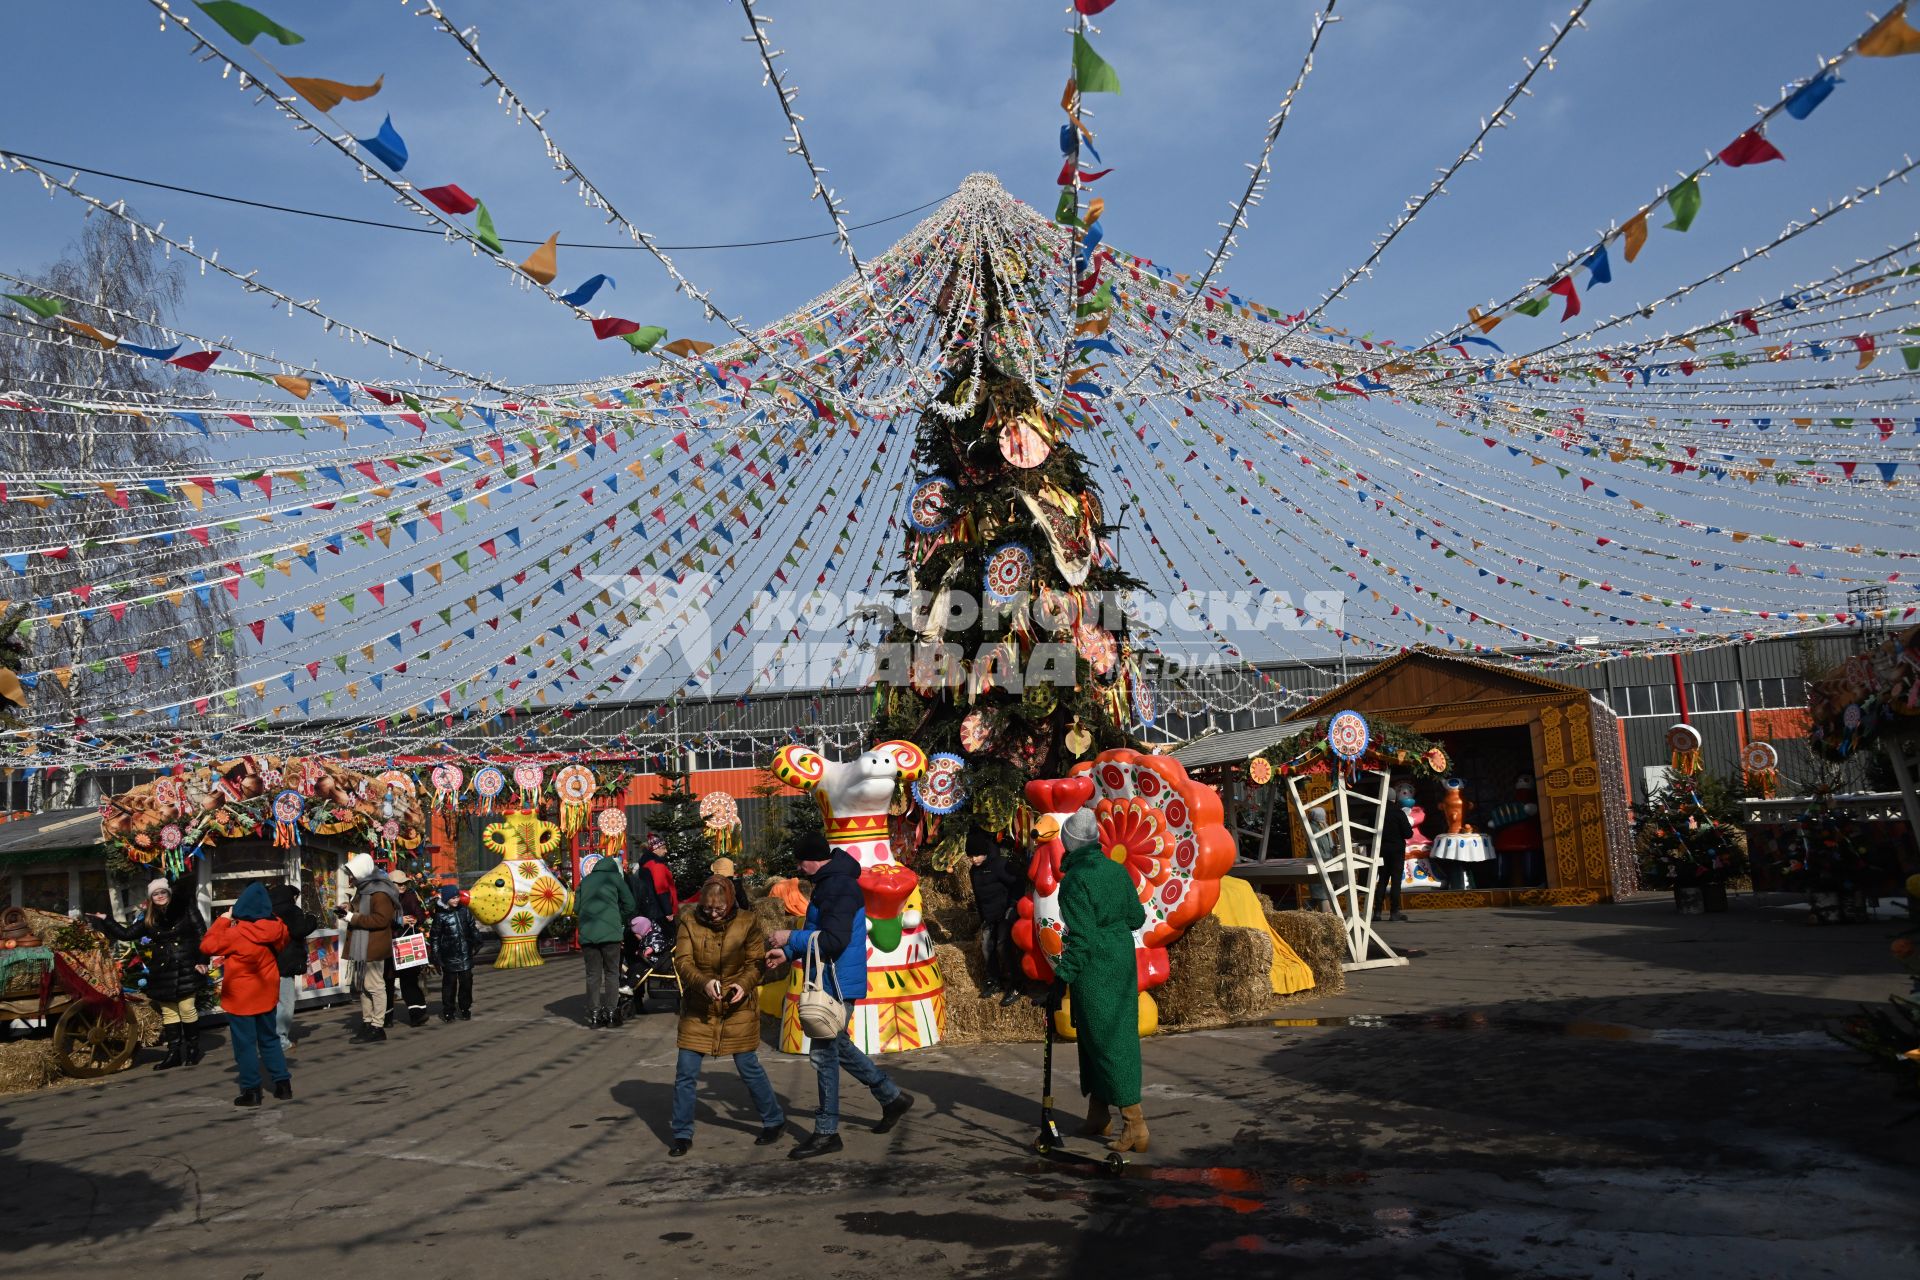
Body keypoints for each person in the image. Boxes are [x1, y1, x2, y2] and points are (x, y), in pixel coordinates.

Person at [767, 833, 913, 1159]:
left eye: (799, 860)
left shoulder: (839, 887)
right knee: (837, 1044)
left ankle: (826, 1132)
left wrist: (790, 935)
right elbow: (820, 929)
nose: (797, 867)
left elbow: (833, 940)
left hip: (836, 982)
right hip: (832, 977)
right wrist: (789, 950)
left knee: (824, 1055)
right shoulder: (830, 881)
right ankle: (891, 1096)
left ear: (812, 858)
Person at [1052, 809, 1150, 1154]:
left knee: (1108, 1044)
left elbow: (1081, 939)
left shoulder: (1075, 881)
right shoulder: (1116, 870)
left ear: (1070, 843)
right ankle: (1098, 1114)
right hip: (1121, 961)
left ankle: (1134, 1123)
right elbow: (1136, 916)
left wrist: (1062, 975)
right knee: (1098, 1039)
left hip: (1095, 969)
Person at [667, 876, 785, 1157]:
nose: (712, 913)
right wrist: (703, 983)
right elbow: (683, 962)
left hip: (737, 1007)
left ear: (730, 902)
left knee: (748, 1066)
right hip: (699, 1008)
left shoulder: (747, 921)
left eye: (718, 909)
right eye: (707, 908)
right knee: (686, 1071)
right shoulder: (689, 921)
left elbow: (756, 962)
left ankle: (774, 1120)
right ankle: (682, 1133)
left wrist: (743, 985)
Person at [89, 876, 206, 1071]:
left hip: (187, 964)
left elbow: (203, 935)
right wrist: (106, 920)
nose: (159, 896)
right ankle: (174, 1053)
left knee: (186, 1008)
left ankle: (193, 1049)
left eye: (162, 892)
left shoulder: (186, 909)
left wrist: (202, 960)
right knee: (169, 1013)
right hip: (163, 969)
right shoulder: (149, 917)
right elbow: (126, 934)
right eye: (155, 894)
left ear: (169, 894)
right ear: (151, 898)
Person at [199, 882, 292, 1107]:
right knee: (270, 1039)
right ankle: (283, 1085)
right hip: (266, 992)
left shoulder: (237, 933)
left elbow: (207, 946)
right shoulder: (279, 927)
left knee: (245, 1045)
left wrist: (223, 919)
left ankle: (251, 1091)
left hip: (241, 996)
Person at [339, 852, 399, 1042]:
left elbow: (381, 919)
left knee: (374, 986)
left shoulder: (379, 891)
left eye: (353, 873)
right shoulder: (365, 888)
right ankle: (368, 1022)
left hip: (373, 946)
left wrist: (352, 917)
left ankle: (377, 1026)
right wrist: (348, 908)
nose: (351, 878)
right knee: (364, 987)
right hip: (363, 945)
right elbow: (364, 910)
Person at [576, 850, 636, 1028]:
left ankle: (594, 1015)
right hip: (611, 934)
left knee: (593, 975)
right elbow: (630, 904)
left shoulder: (585, 881)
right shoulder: (615, 879)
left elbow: (576, 907)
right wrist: (619, 919)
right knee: (612, 974)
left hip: (588, 934)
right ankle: (610, 1014)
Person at [966, 826, 1022, 1003]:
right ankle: (994, 981)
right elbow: (978, 896)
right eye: (970, 856)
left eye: (977, 855)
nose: (974, 859)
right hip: (989, 916)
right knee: (986, 947)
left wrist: (1012, 907)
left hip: (1005, 913)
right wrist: (983, 919)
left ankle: (1016, 985)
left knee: (1002, 946)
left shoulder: (999, 865)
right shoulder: (973, 872)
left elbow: (1018, 882)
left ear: (984, 853)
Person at [266, 882, 316, 1055]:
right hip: (285, 963)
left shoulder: (268, 910)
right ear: (291, 897)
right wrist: (311, 919)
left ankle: (270, 1036)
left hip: (268, 962)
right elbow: (300, 929)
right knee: (285, 1002)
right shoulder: (291, 910)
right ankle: (280, 1040)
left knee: (272, 1002)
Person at [428, 886, 483, 1022]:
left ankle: (465, 1007)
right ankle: (448, 1010)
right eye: (453, 898)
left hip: (465, 953)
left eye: (457, 896)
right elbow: (434, 937)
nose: (456, 899)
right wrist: (436, 955)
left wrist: (477, 941)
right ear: (446, 899)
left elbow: (472, 927)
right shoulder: (440, 916)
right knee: (449, 985)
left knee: (466, 982)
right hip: (449, 956)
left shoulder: (464, 911)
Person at [389, 868, 431, 1028]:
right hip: (389, 944)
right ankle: (385, 1018)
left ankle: (418, 1014)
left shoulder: (410, 896)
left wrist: (414, 919)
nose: (402, 886)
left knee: (409, 979)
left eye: (404, 883)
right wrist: (399, 920)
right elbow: (381, 918)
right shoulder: (385, 898)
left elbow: (421, 915)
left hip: (406, 944)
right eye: (398, 883)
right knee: (387, 981)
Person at [1375, 786, 1414, 924]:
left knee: (1382, 880)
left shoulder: (1377, 813)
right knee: (1396, 880)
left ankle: (1377, 911)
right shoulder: (1399, 814)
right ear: (1394, 798)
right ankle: (1394, 911)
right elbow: (1408, 834)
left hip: (1381, 849)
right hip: (1397, 850)